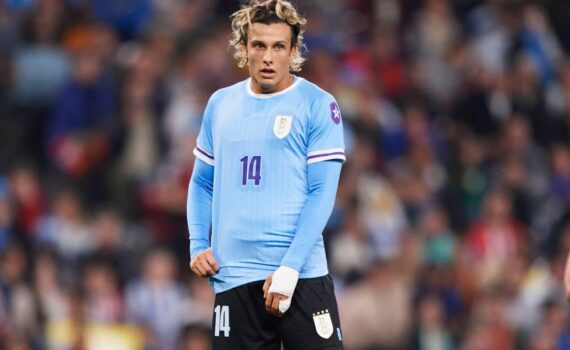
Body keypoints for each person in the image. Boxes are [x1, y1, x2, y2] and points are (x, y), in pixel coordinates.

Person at [186, 1, 345, 349]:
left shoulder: (318, 104)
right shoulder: (220, 104)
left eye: (278, 46)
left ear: (293, 51)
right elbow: (200, 182)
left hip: (300, 277)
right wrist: (198, 243)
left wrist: (289, 269)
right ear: (244, 49)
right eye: (259, 45)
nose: (269, 57)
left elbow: (322, 192)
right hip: (234, 279)